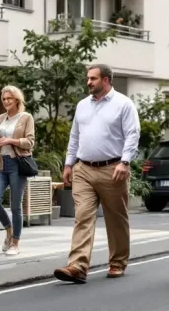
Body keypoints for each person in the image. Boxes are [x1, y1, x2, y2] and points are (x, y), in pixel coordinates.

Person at [53, 64, 140, 284]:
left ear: (106, 80)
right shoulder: (83, 105)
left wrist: (125, 162)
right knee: (82, 216)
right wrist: (68, 164)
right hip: (83, 169)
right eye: (88, 78)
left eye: (93, 78)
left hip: (113, 169)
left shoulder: (123, 104)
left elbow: (132, 135)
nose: (88, 82)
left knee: (116, 218)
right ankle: (77, 266)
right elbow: (75, 136)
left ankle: (118, 262)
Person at [0, 85, 36, 256]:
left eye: (9, 98)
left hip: (17, 164)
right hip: (1, 165)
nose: (6, 101)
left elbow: (30, 142)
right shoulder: (0, 118)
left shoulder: (25, 117)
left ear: (17, 99)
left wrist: (11, 140)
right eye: (4, 99)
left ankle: (15, 242)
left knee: (16, 206)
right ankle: (8, 229)